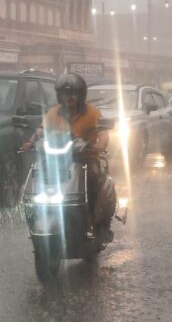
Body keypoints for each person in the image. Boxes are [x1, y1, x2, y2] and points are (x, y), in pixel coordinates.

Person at [21, 73, 115, 227]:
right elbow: (41, 130)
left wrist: (101, 144)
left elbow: (103, 133)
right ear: (60, 95)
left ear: (80, 94)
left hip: (86, 158)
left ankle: (93, 218)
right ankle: (36, 212)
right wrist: (31, 141)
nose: (69, 97)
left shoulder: (92, 112)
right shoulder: (54, 112)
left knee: (92, 178)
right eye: (65, 94)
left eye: (73, 93)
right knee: (38, 175)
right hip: (59, 159)